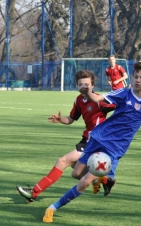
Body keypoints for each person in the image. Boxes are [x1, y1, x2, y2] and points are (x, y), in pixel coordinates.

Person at [42, 61, 141, 223]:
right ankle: (102, 178)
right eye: (135, 77)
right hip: (99, 137)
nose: (137, 80)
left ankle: (52, 208)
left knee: (85, 182)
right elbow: (98, 98)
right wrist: (88, 92)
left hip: (115, 147)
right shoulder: (123, 93)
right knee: (76, 174)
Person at [16, 70, 116, 203]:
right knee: (76, 172)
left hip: (95, 141)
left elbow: (117, 106)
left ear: (92, 86)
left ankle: (34, 192)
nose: (84, 87)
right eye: (81, 84)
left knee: (62, 161)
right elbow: (71, 118)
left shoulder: (99, 101)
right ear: (77, 86)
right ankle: (103, 180)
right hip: (86, 140)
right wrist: (60, 119)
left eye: (87, 84)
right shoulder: (79, 100)